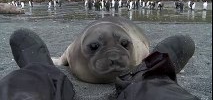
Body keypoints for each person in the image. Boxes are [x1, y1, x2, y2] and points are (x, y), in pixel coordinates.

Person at [0, 28, 199, 100]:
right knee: (157, 87)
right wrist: (64, 59)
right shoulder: (75, 48)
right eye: (94, 47)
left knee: (27, 84)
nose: (113, 56)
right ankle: (150, 77)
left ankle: (42, 73)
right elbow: (72, 50)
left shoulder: (135, 46)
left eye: (123, 45)